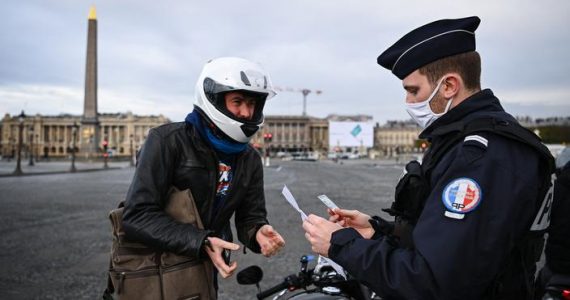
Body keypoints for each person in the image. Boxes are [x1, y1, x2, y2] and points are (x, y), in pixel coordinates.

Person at [302, 17, 555, 299]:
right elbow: (445, 242)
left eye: (414, 90)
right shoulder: (476, 141)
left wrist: (340, 245)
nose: (409, 103)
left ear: (449, 86)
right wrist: (377, 231)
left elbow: (432, 284)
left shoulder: (480, 157)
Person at [122, 57, 285, 293]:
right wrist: (202, 240)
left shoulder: (250, 159)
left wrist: (259, 232)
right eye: (237, 101)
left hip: (204, 270)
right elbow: (137, 215)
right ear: (214, 99)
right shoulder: (167, 141)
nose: (247, 113)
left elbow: (250, 216)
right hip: (153, 269)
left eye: (252, 104)